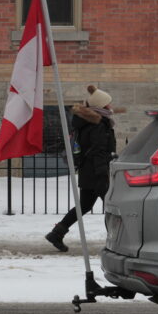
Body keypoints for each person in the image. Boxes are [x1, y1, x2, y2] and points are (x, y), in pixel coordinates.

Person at [45, 85, 116, 252]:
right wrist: (102, 174)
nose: (111, 107)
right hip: (97, 173)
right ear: (102, 107)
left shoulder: (89, 122)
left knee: (84, 205)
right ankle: (117, 242)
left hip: (88, 171)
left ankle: (57, 233)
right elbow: (98, 150)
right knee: (113, 208)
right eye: (108, 104)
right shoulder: (98, 124)